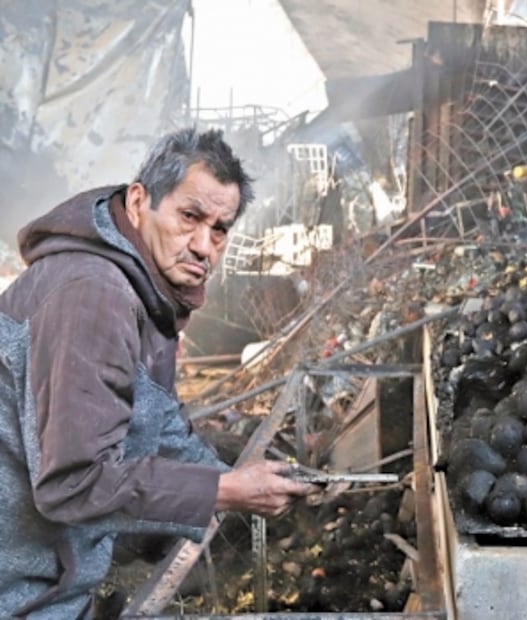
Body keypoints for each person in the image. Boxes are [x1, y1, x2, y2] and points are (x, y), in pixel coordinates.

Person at [0, 127, 318, 618]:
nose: (204, 246)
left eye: (220, 229)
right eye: (189, 216)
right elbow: (73, 483)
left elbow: (157, 419)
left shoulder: (140, 290)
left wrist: (235, 480)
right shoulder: (94, 294)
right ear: (137, 202)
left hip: (43, 574)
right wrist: (225, 492)